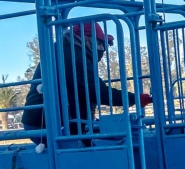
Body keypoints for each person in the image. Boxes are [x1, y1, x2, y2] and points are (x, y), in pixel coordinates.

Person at [21, 22, 153, 145]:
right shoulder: (73, 56)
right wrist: (134, 98)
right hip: (48, 124)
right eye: (100, 43)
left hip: (44, 120)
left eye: (106, 44)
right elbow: (96, 91)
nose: (103, 49)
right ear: (86, 39)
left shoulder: (66, 49)